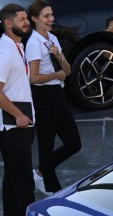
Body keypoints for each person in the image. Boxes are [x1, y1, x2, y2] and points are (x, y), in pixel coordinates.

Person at [0, 4, 35, 216]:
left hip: (17, 124)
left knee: (14, 177)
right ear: (8, 23)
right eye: (22, 19)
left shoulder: (16, 46)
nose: (27, 22)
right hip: (12, 126)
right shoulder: (5, 52)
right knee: (23, 181)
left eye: (26, 18)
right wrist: (18, 115)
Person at [26, 1, 81, 194]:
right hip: (43, 96)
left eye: (51, 15)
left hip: (58, 95)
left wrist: (58, 56)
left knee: (74, 143)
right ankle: (52, 188)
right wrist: (55, 76)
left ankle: (41, 172)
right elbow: (33, 78)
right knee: (46, 145)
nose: (51, 19)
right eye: (46, 16)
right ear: (35, 19)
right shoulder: (33, 44)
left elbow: (68, 70)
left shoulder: (53, 39)